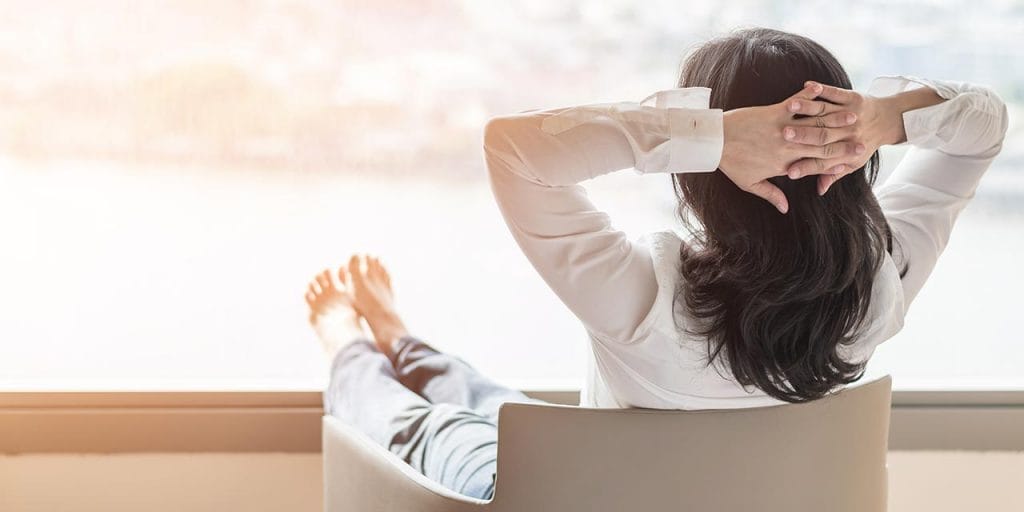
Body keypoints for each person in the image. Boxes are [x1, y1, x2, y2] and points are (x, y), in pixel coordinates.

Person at [306, 27, 1009, 500]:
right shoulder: (882, 290)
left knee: (424, 424)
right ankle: (403, 339)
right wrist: (885, 117)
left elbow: (512, 149)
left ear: (703, 172)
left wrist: (710, 137)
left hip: (555, 500)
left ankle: (351, 340)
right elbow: (983, 129)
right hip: (638, 485)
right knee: (495, 403)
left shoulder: (645, 302)